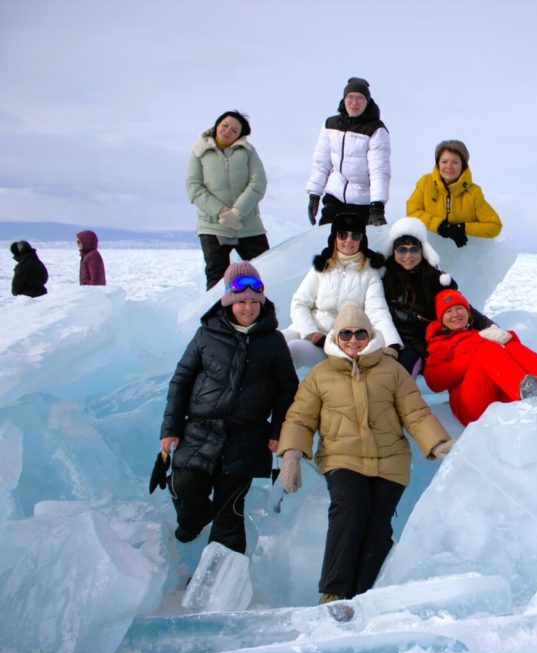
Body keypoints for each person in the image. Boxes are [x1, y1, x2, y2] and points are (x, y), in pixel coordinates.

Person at [277, 303, 454, 603]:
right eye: (346, 333)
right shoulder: (320, 375)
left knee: (377, 527)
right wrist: (292, 454)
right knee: (349, 510)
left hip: (390, 462)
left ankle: (361, 597)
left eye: (360, 333)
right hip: (341, 459)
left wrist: (437, 443)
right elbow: (299, 418)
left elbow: (415, 412)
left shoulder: (393, 371)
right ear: (336, 336)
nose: (353, 340)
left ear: (370, 335)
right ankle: (334, 592)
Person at [158, 262, 299, 554]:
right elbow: (181, 381)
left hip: (246, 436)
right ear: (228, 302)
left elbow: (287, 390)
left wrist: (278, 431)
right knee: (185, 485)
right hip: (200, 429)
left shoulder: (273, 341)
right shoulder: (206, 334)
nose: (248, 308)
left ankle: (218, 586)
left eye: (253, 301)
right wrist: (170, 429)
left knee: (230, 510)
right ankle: (193, 520)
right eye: (241, 302)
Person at [424, 289, 537, 426]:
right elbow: (434, 382)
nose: (455, 314)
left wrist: (507, 338)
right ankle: (523, 390)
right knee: (488, 350)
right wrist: (472, 357)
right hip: (470, 407)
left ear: (467, 312)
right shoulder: (441, 342)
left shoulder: (478, 333)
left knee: (509, 346)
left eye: (459, 308)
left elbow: (511, 356)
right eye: (448, 311)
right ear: (441, 318)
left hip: (497, 395)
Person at [283, 213, 402, 368]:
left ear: (362, 240)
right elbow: (299, 303)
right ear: (335, 238)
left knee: (293, 350)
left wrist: (392, 343)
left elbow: (377, 311)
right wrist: (311, 332)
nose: (349, 240)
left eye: (355, 236)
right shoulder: (323, 266)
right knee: (275, 341)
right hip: (306, 329)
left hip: (334, 342)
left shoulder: (369, 272)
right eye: (342, 234)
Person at [381, 217, 494, 377]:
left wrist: (490, 326)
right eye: (402, 249)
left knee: (401, 376)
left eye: (414, 249)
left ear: (422, 251)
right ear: (393, 252)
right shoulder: (384, 279)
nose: (408, 255)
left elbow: (460, 307)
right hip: (392, 343)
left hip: (421, 346)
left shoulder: (435, 279)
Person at [186, 110, 269, 290]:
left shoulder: (248, 152)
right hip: (213, 226)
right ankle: (217, 317)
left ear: (240, 135)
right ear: (217, 125)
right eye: (225, 125)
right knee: (216, 276)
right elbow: (193, 186)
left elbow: (258, 182)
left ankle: (264, 314)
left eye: (234, 130)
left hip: (248, 225)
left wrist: (237, 212)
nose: (227, 131)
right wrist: (221, 212)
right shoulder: (199, 151)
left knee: (265, 271)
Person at [306, 77, 391, 228]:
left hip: (364, 202)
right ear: (344, 99)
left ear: (367, 101)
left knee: (358, 247)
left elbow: (379, 171)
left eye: (360, 98)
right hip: (335, 197)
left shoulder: (376, 130)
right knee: (328, 244)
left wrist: (377, 206)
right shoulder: (330, 125)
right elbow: (321, 163)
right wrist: (314, 194)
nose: (354, 102)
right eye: (350, 97)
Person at [406, 139, 502, 248]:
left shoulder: (474, 192)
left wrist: (462, 228)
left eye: (455, 162)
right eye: (444, 161)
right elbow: (412, 212)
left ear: (463, 165)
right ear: (438, 163)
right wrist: (442, 226)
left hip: (459, 257)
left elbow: (494, 225)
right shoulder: (425, 183)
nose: (449, 166)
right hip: (428, 253)